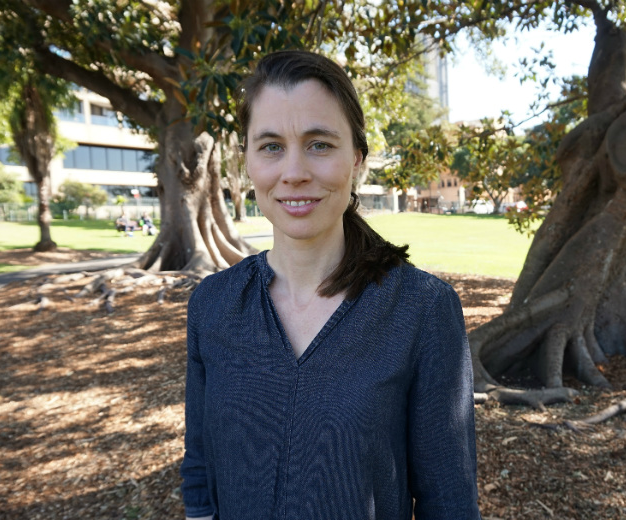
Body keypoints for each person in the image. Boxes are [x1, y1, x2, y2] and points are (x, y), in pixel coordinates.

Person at [181, 50, 480, 520]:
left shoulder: (422, 310)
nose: (294, 171)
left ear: (356, 160)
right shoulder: (213, 305)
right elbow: (200, 472)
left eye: (319, 144)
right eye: (271, 146)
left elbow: (449, 502)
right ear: (248, 163)